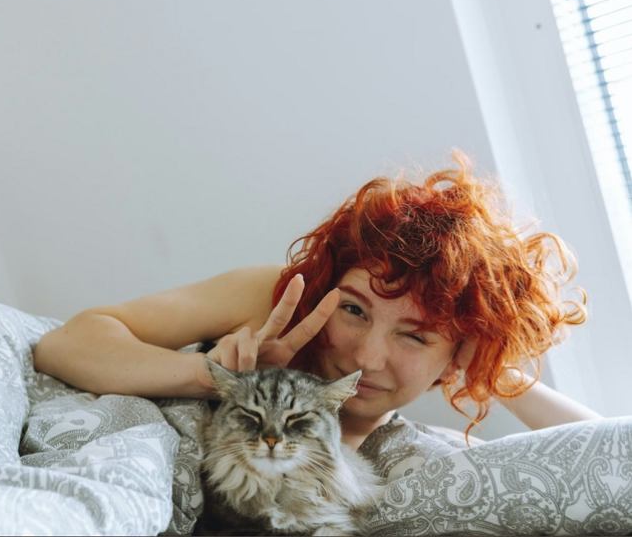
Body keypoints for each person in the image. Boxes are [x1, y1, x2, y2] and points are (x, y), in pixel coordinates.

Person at [33, 151, 601, 455]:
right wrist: (209, 377)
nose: (365, 358)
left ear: (454, 356)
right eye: (354, 310)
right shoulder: (276, 300)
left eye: (414, 335)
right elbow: (65, 344)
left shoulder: (426, 456)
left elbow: (614, 458)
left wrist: (493, 373)